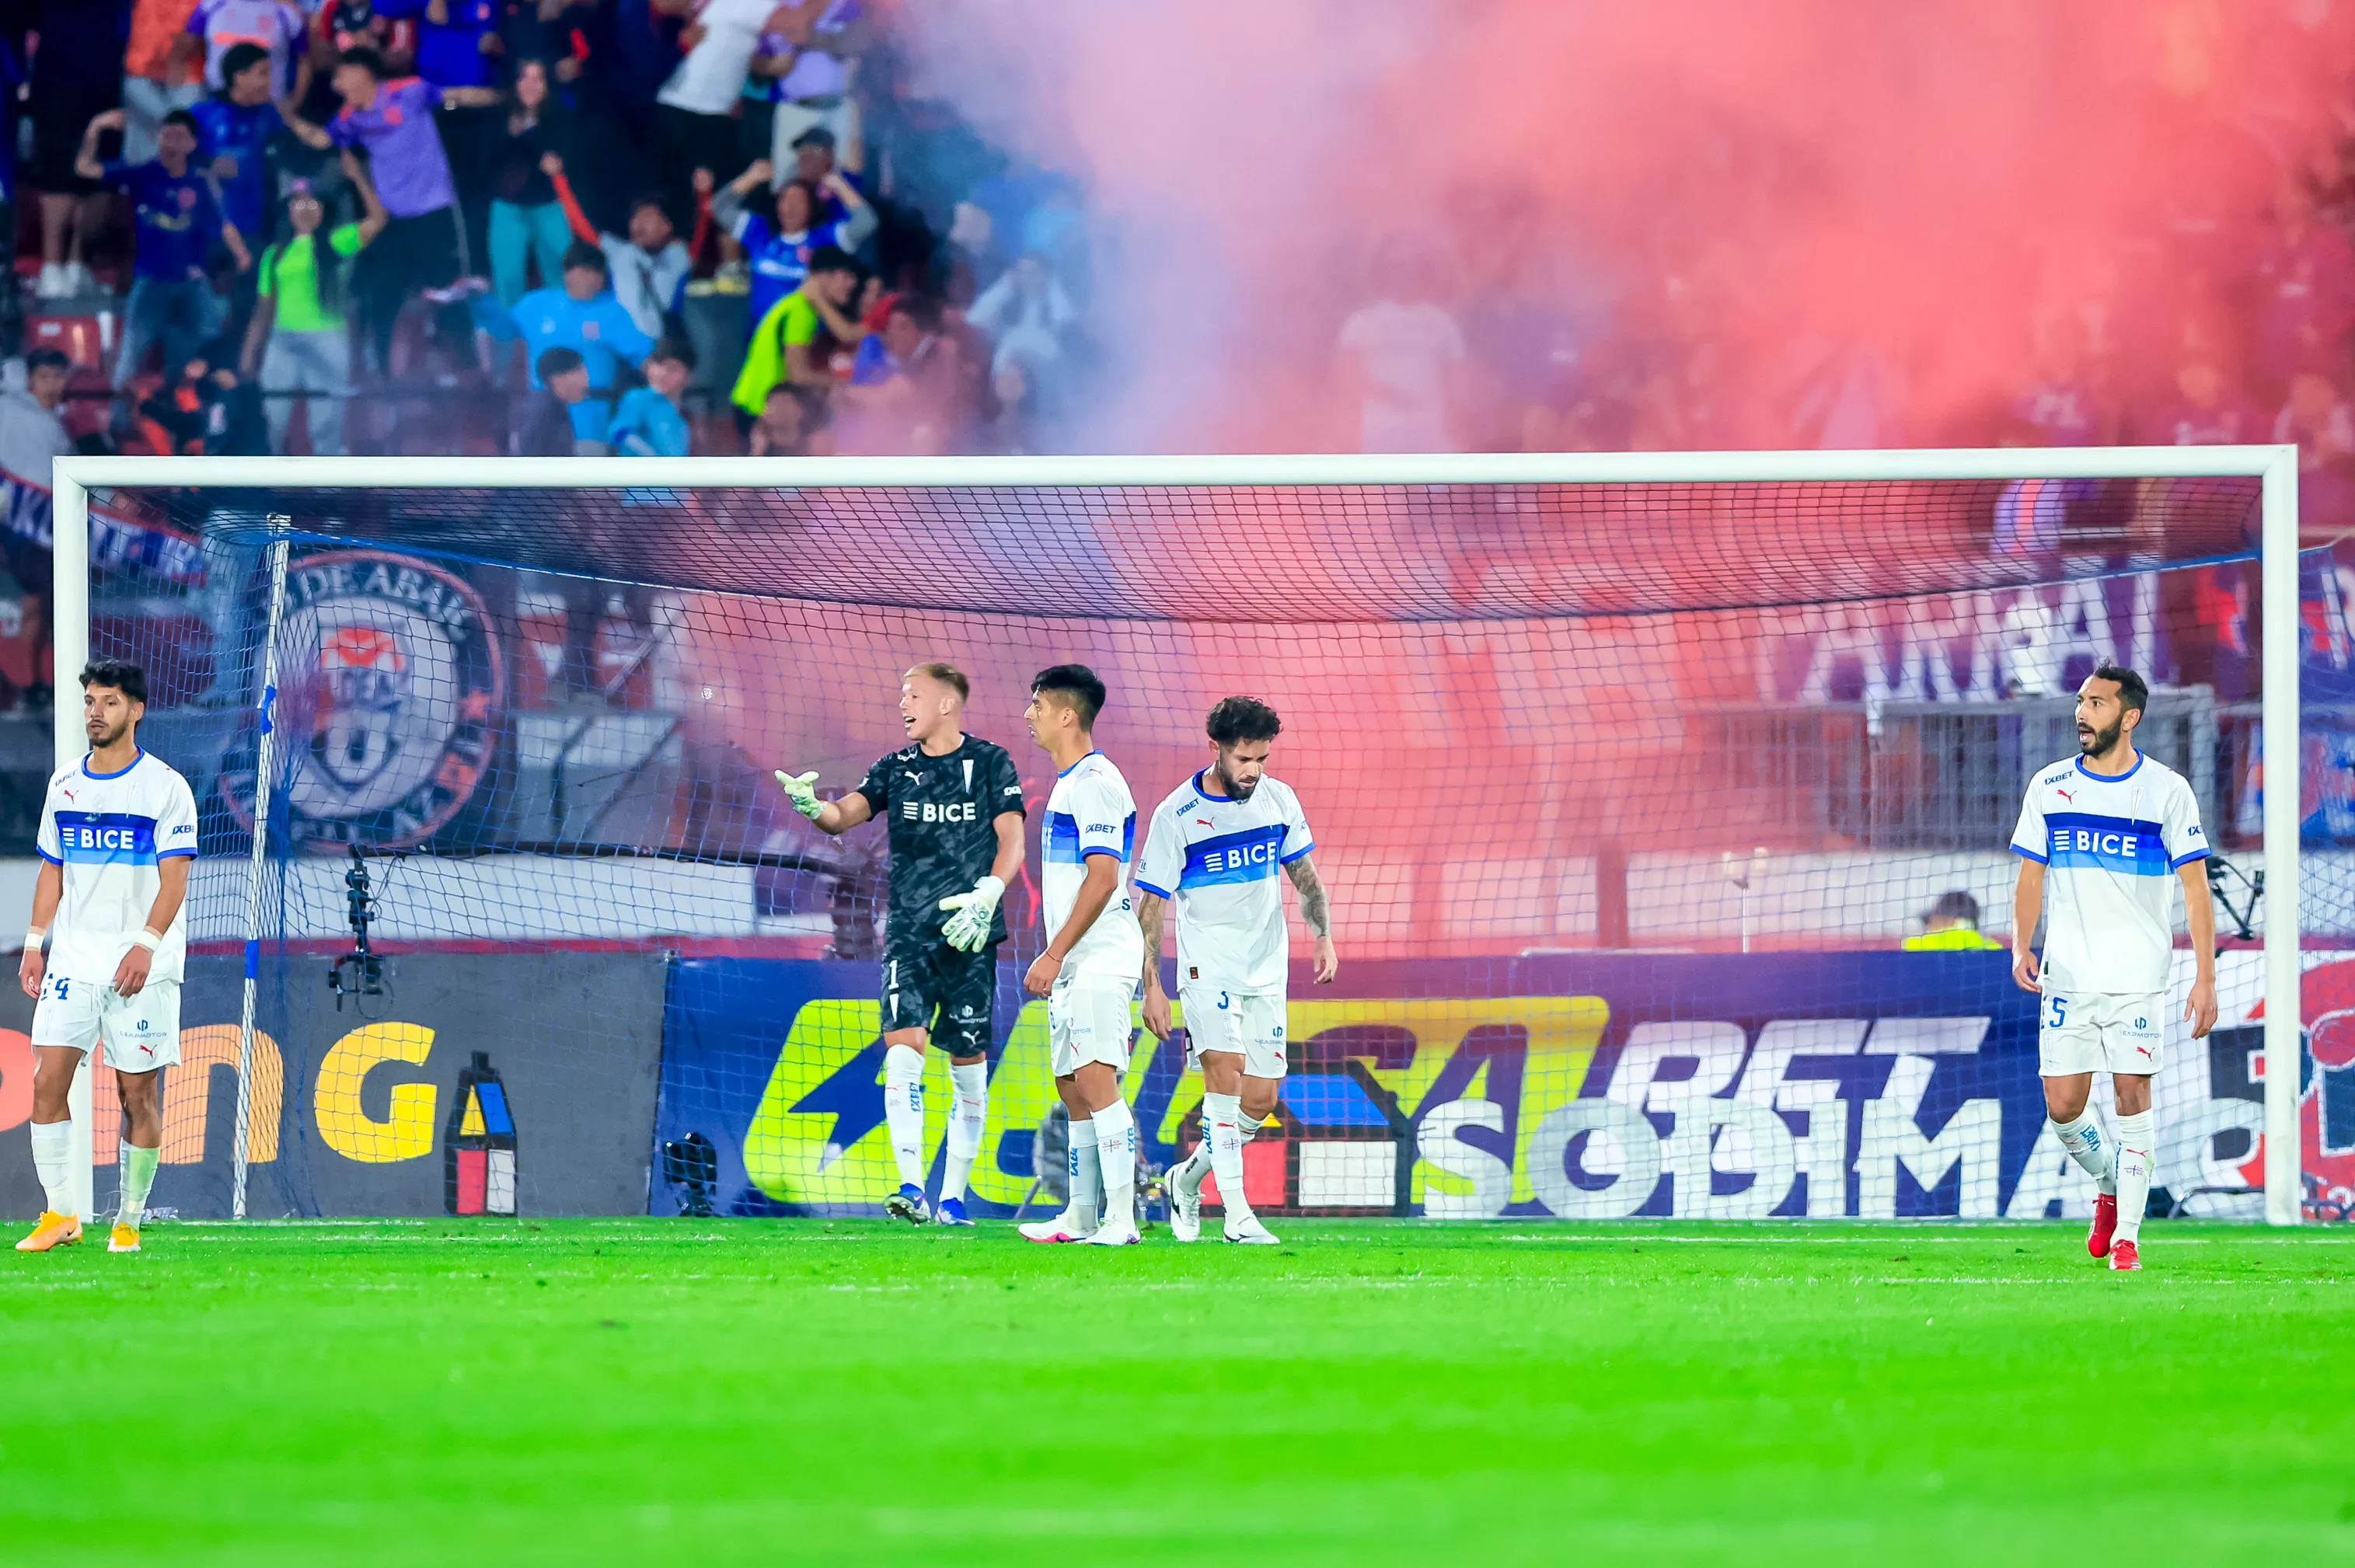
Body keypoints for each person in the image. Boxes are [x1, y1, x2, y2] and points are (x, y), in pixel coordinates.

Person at [773, 664, 1027, 1225]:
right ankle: (912, 1187)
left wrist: (989, 891)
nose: (903, 705)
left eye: (913, 696)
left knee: (968, 1070)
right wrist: (815, 809)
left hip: (970, 934)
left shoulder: (990, 763)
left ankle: (953, 1199)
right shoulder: (895, 768)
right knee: (903, 1054)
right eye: (901, 696)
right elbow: (846, 816)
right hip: (909, 936)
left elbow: (1013, 840)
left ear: (946, 704)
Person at [2010, 664, 2217, 1274]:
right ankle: (2107, 1184)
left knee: (2133, 1097)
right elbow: (2029, 876)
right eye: (2080, 701)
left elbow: (2196, 888)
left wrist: (2205, 976)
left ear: (2129, 718)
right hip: (2068, 976)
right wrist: (2023, 942)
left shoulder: (2166, 790)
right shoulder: (2048, 786)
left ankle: (2127, 1235)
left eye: (2096, 703)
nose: (2082, 712)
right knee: (2064, 1109)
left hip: (2137, 980)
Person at [15, 659, 201, 1256]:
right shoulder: (64, 783)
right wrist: (35, 942)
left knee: (136, 1095)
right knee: (46, 1082)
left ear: (137, 710)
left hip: (141, 966)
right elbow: (52, 870)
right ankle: (61, 1214)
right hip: (74, 960)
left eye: (110, 701)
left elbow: (174, 882)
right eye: (90, 700)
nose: (95, 711)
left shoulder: (166, 787)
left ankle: (128, 1219)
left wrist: (145, 946)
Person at [1141, 698, 1337, 1246]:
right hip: (1208, 967)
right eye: (1244, 758)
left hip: (1265, 970)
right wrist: (1151, 985)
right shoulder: (1175, 815)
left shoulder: (1278, 800)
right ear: (1218, 749)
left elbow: (1304, 876)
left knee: (1261, 1099)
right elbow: (1151, 906)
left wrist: (1322, 936)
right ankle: (1236, 1217)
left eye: (1262, 759)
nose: (1253, 770)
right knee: (1223, 1082)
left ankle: (1185, 1179)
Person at [1014, 664, 1147, 1247]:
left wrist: (1053, 953)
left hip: (1097, 955)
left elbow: (1102, 877)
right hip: (1075, 961)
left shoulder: (1096, 780)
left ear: (1068, 714)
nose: (1029, 715)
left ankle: (1122, 1220)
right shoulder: (1072, 782)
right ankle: (1080, 1216)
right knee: (1073, 1088)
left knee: (1095, 1082)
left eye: (1038, 705)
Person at [284, 48, 468, 373]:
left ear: (361, 72)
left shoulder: (408, 91)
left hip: (434, 210)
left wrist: (500, 98)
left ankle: (463, 367)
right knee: (383, 291)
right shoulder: (348, 117)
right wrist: (287, 117)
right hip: (391, 220)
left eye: (340, 76)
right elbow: (322, 140)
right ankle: (380, 370)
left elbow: (454, 99)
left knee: (448, 293)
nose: (337, 85)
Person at [77, 107, 252, 396]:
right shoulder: (143, 173)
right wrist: (95, 127)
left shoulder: (201, 180)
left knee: (207, 347)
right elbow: (84, 168)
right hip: (151, 279)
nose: (170, 143)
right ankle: (117, 423)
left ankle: (203, 421)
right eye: (165, 136)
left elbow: (224, 223)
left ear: (191, 145)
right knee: (131, 352)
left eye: (178, 137)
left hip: (192, 280)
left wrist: (241, 252)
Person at [242, 155, 389, 455]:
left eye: (312, 202)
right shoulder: (274, 254)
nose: (305, 208)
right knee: (271, 419)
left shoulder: (336, 243)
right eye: (298, 202)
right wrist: (248, 354)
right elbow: (262, 311)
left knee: (326, 424)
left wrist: (358, 177)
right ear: (289, 208)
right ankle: (266, 492)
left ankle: (328, 496)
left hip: (327, 339)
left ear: (324, 209)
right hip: (283, 340)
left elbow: (378, 220)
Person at [503, 242, 656, 446]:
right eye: (573, 270)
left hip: (591, 413)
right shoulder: (536, 304)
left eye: (587, 272)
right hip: (542, 411)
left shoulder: (613, 312)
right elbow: (501, 328)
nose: (579, 278)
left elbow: (645, 358)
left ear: (600, 277)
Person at [29, 0, 131, 301]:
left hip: (106, 76)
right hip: (58, 77)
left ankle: (76, 266)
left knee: (98, 175)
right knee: (58, 175)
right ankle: (51, 268)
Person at [711, 159, 875, 335]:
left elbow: (867, 222)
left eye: (798, 201)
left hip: (808, 337)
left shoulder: (825, 239)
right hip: (761, 335)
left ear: (811, 208)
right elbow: (718, 208)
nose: (790, 207)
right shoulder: (759, 232)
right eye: (784, 199)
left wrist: (839, 185)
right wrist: (750, 178)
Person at [544, 159, 692, 343]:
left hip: (666, 347)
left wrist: (704, 194)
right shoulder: (622, 252)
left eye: (647, 217)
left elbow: (702, 230)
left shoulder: (679, 254)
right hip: (623, 344)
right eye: (635, 218)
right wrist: (558, 179)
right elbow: (581, 225)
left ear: (668, 225)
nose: (638, 225)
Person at [654, 0, 790, 197]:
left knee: (709, 194)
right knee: (682, 192)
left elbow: (776, 56)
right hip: (685, 107)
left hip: (707, 110)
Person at [729, 242, 860, 419]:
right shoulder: (801, 312)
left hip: (756, 404)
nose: (852, 283)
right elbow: (799, 375)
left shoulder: (794, 304)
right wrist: (842, 382)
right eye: (845, 276)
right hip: (763, 409)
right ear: (822, 276)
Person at [484, 58, 571, 308]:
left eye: (538, 78)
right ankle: (512, 342)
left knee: (560, 277)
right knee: (509, 281)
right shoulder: (498, 119)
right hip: (509, 209)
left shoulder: (560, 119)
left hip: (550, 207)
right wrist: (514, 137)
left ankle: (561, 342)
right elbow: (485, 163)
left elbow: (564, 158)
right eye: (525, 77)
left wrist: (540, 149)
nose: (531, 85)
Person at [184, 0, 309, 100]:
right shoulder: (210, 5)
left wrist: (295, 101)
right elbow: (187, 47)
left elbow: (304, 61)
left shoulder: (286, 13)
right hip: (217, 98)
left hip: (270, 104)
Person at [0, 349, 75, 487]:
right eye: (44, 377)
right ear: (30, 378)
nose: (52, 384)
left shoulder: (59, 420)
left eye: (58, 376)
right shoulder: (8, 408)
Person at [607, 338, 694, 456]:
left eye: (672, 369)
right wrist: (653, 459)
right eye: (657, 365)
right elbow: (619, 434)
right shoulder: (638, 398)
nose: (662, 374)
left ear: (687, 377)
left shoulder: (681, 417)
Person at [515, 343, 591, 456]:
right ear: (557, 379)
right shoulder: (543, 414)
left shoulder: (553, 406)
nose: (586, 381)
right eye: (579, 372)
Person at [1903, 890, 2002, 951]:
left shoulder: (1914, 945)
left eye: (1930, 922)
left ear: (1950, 920)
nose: (1929, 927)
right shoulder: (1994, 948)